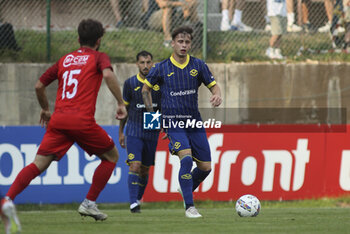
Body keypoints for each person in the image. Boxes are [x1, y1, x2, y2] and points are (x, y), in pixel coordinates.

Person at [0, 19, 127, 222]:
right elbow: (108, 75)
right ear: (99, 40)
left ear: (78, 39)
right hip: (81, 120)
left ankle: (7, 200)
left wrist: (45, 109)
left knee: (37, 164)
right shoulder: (99, 57)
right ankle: (89, 203)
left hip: (58, 120)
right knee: (111, 157)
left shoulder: (65, 59)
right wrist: (121, 103)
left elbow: (38, 85)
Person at [141, 26, 222, 218]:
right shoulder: (160, 68)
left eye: (187, 42)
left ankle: (185, 187)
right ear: (173, 43)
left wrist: (217, 95)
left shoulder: (198, 65)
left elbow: (214, 86)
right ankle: (190, 207)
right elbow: (145, 91)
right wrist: (153, 120)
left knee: (205, 168)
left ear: (190, 44)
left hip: (194, 122)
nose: (184, 45)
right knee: (185, 159)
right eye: (180, 42)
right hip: (173, 123)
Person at [119, 51, 161, 213]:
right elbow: (125, 109)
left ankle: (137, 199)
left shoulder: (159, 84)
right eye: (142, 62)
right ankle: (133, 204)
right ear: (137, 64)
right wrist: (121, 132)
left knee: (144, 169)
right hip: (134, 130)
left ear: (152, 63)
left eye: (148, 62)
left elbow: (163, 107)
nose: (145, 66)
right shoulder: (130, 83)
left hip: (152, 129)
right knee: (134, 165)